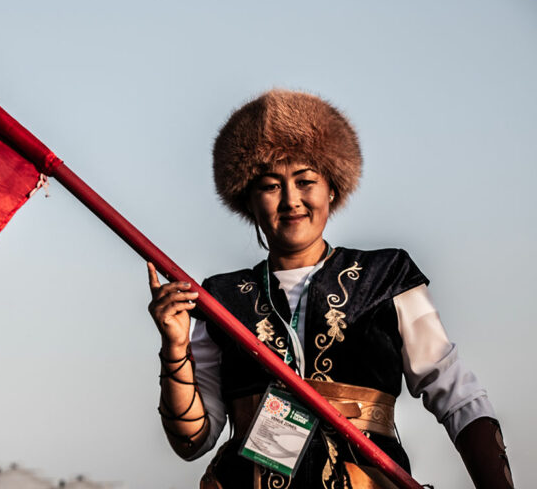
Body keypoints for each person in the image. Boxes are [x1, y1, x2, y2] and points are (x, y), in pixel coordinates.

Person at [147, 90, 513, 488]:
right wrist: (174, 348)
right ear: (248, 202)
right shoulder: (220, 298)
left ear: (332, 189)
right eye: (271, 186)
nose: (291, 200)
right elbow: (193, 442)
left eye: (306, 181)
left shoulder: (386, 276)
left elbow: (456, 395)